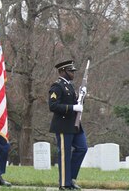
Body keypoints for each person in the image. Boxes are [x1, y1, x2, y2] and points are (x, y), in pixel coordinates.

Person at [49, 60, 87, 190]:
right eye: (70, 71)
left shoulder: (69, 86)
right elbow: (53, 106)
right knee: (64, 154)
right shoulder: (57, 86)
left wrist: (82, 96)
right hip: (63, 125)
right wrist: (73, 108)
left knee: (82, 148)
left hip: (75, 125)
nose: (73, 73)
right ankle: (64, 183)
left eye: (73, 71)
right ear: (62, 71)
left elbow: (77, 104)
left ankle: (70, 178)